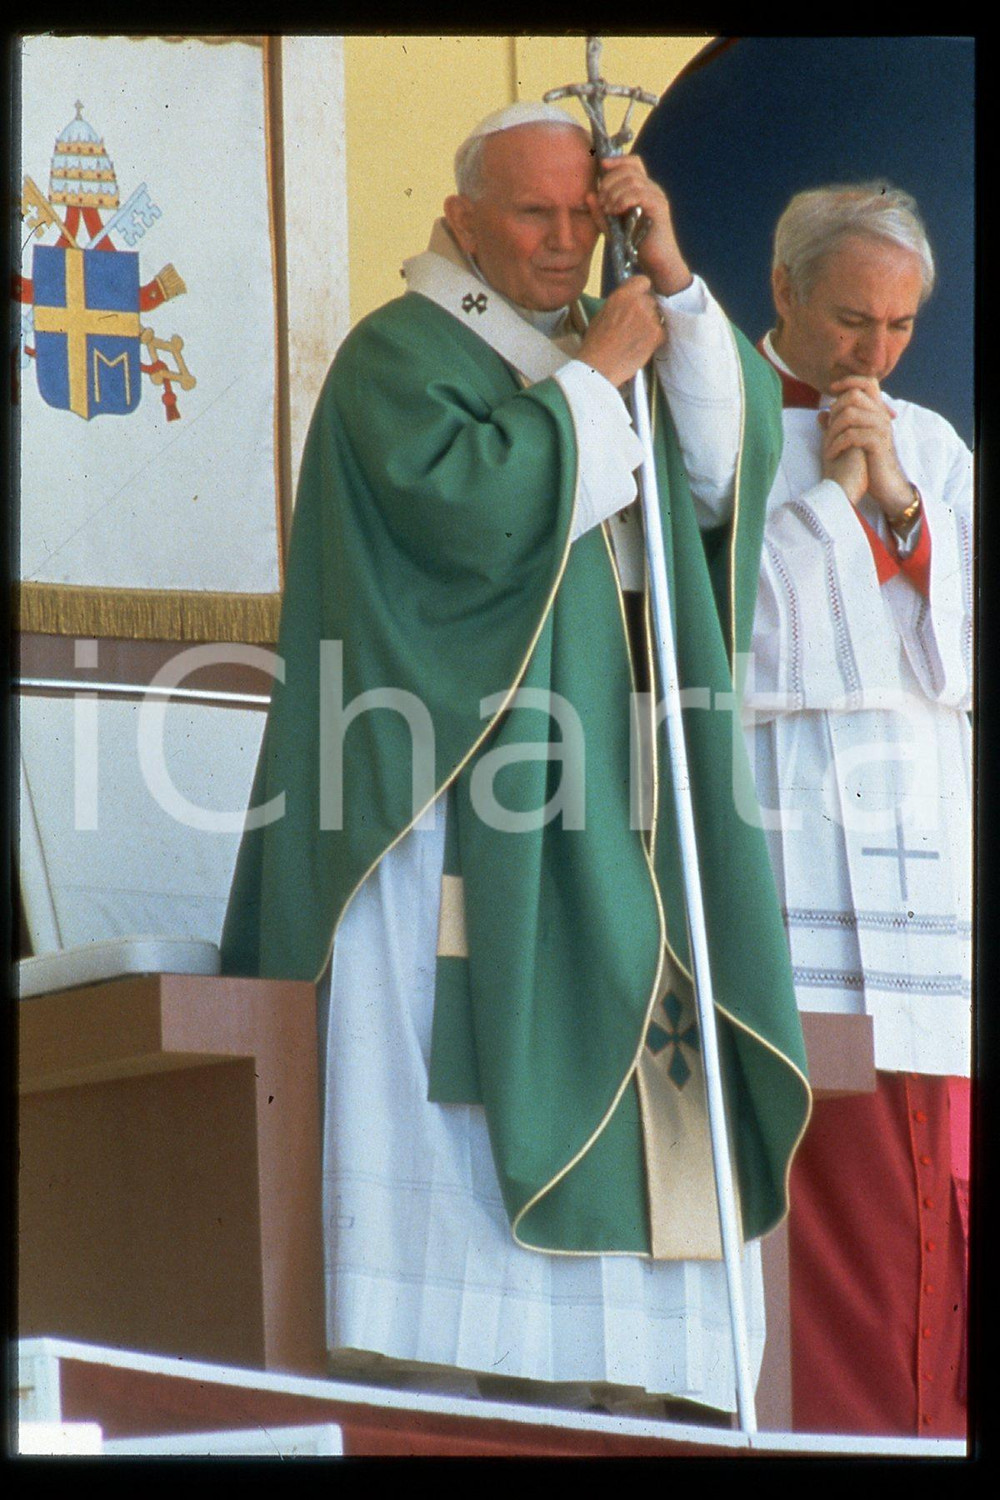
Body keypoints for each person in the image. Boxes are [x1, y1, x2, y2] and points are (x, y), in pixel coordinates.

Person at [221, 102, 809, 1418]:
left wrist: (671, 282)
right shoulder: (398, 355)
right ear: (460, 221)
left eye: (582, 216)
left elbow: (723, 473)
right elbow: (468, 519)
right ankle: (446, 1380)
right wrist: (594, 380)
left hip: (618, 793)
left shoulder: (611, 331)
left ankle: (631, 1385)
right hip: (453, 789)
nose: (561, 242)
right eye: (533, 217)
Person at [742, 183, 972, 1437]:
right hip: (794, 837)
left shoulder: (932, 445)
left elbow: (966, 649)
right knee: (836, 1189)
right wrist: (831, 500)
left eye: (895, 328)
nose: (871, 355)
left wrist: (897, 505)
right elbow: (753, 654)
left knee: (932, 1177)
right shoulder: (714, 428)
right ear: (781, 293)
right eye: (848, 320)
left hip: (926, 854)